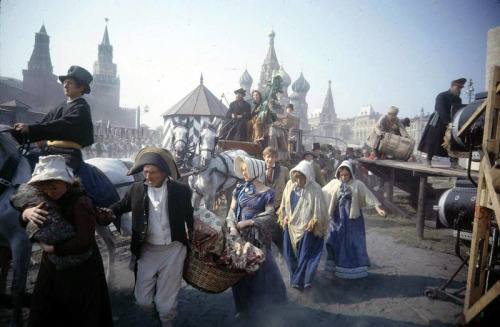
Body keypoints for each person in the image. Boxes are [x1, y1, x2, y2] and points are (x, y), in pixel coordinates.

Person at [18, 155, 113, 327]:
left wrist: (52, 249)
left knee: (79, 315)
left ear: (67, 182)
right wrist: (26, 213)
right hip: (52, 268)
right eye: (45, 189)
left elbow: (84, 241)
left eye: (54, 188)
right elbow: (25, 217)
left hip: (80, 270)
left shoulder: (80, 201)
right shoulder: (44, 197)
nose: (50, 193)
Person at [103, 148, 193, 327]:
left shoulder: (181, 190)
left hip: (173, 250)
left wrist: (195, 238)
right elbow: (119, 207)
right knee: (142, 301)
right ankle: (159, 318)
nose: (148, 177)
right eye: (145, 172)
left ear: (165, 172)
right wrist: (107, 213)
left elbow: (190, 217)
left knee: (165, 305)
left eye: (153, 172)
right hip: (147, 250)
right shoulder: (136, 189)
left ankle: (167, 321)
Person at [226, 156, 287, 318]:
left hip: (257, 237)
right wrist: (233, 227)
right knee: (238, 270)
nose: (244, 173)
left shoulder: (268, 193)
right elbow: (231, 211)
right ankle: (242, 308)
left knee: (260, 271)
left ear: (256, 170)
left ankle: (262, 308)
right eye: (243, 170)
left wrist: (248, 222)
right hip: (239, 237)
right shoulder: (238, 190)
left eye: (247, 170)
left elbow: (269, 216)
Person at [13, 65, 94, 173]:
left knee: (56, 179)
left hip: (67, 154)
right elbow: (43, 123)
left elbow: (61, 125)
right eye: (64, 82)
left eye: (70, 83)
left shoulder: (81, 108)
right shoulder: (60, 106)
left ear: (81, 87)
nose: (65, 85)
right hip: (47, 151)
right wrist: (16, 132)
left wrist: (31, 128)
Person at [323, 160, 386, 279]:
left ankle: (353, 269)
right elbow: (323, 193)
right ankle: (335, 268)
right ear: (338, 174)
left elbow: (369, 196)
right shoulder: (334, 183)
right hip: (337, 218)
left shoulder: (357, 184)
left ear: (351, 174)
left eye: (346, 175)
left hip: (353, 218)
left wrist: (378, 209)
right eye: (341, 175)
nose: (344, 177)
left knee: (353, 242)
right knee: (333, 240)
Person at [280, 160, 328, 290]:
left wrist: (313, 221)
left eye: (302, 178)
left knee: (305, 256)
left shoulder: (315, 188)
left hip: (307, 228)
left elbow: (320, 208)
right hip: (291, 227)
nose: (299, 181)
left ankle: (302, 282)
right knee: (289, 255)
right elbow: (285, 204)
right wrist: (284, 216)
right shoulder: (290, 185)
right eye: (297, 178)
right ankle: (295, 278)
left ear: (307, 176)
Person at [418, 78, 466, 168]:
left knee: (453, 142)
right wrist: (448, 122)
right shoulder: (441, 96)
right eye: (458, 87)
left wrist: (453, 123)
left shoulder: (458, 100)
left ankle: (454, 162)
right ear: (452, 86)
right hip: (438, 121)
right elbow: (441, 110)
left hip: (452, 122)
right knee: (433, 140)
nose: (459, 90)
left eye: (460, 88)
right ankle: (428, 159)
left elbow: (458, 111)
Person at [263, 146, 290, 255]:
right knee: (265, 232)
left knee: (279, 232)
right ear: (264, 157)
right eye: (268, 157)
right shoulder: (259, 169)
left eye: (273, 157)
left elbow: (290, 186)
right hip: (264, 206)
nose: (270, 160)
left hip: (279, 205)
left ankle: (282, 255)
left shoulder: (283, 170)